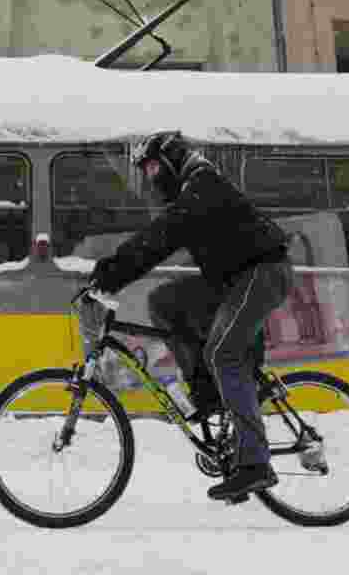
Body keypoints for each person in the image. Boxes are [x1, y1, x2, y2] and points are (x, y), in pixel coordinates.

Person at [88, 131, 294, 502]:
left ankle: (255, 464)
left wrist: (112, 272)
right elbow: (162, 234)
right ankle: (209, 395)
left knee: (223, 354)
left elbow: (162, 237)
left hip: (261, 274)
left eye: (152, 168)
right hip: (234, 279)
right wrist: (114, 272)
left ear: (169, 162)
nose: (150, 178)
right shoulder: (192, 189)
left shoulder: (202, 186)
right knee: (166, 302)